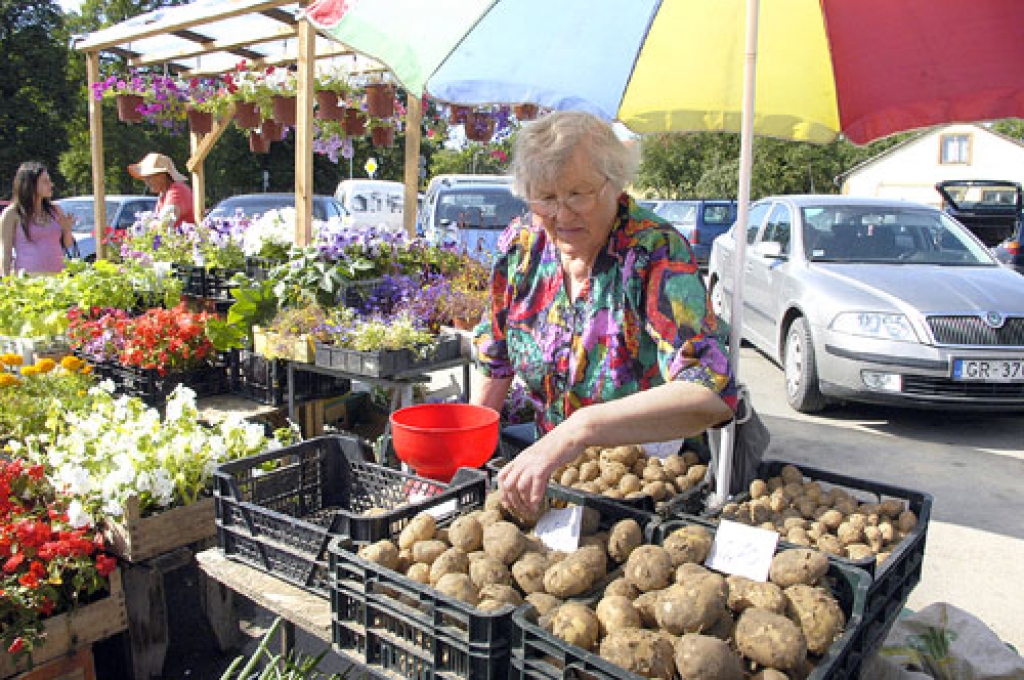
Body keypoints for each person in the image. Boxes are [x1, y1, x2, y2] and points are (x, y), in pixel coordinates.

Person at [473, 111, 738, 517]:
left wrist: (582, 428)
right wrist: (466, 459)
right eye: (544, 198)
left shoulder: (655, 252)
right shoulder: (522, 247)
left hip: (647, 487)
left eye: (577, 194)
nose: (560, 215)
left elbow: (710, 394)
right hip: (559, 484)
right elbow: (496, 362)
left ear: (615, 184)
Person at [0, 161, 76, 276]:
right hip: (28, 279)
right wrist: (6, 283)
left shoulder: (55, 210)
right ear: (30, 184)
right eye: (45, 181)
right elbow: (6, 252)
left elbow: (68, 244)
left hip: (58, 278)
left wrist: (67, 230)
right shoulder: (12, 213)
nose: (51, 185)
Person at [128, 152, 195, 226]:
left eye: (149, 177)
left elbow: (165, 223)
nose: (146, 181)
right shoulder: (164, 194)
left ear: (162, 176)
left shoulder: (177, 190)